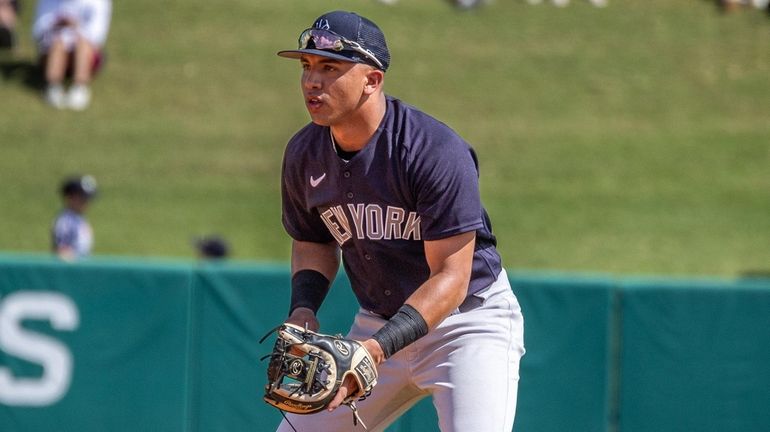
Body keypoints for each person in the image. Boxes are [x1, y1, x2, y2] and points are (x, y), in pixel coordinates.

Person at [274, 10, 525, 431]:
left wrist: (375, 349)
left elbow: (451, 276)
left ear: (372, 80)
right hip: (376, 322)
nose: (312, 81)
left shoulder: (432, 151)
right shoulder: (304, 153)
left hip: (465, 326)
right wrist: (304, 308)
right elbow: (313, 240)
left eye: (330, 67)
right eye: (307, 66)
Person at [32, 0, 112, 110]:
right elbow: (38, 32)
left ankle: (79, 87)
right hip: (53, 51)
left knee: (82, 44)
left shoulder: (99, 2)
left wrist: (75, 27)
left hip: (86, 52)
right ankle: (53, 86)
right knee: (58, 43)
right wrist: (57, 26)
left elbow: (97, 36)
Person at [51, 174, 97, 261]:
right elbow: (62, 252)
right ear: (71, 198)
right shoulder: (65, 222)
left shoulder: (79, 220)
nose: (87, 202)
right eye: (83, 198)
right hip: (71, 271)